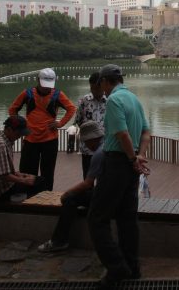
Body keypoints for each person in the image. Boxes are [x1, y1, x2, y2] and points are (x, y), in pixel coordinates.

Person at [88, 64, 151, 289]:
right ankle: (133, 268)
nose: (101, 90)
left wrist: (133, 158)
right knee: (127, 219)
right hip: (131, 165)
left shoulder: (114, 101)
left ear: (105, 81)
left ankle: (116, 267)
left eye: (101, 85)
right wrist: (139, 156)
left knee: (97, 218)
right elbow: (146, 131)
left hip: (116, 162)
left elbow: (122, 133)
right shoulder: (134, 98)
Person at [37, 120, 105, 253]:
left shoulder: (98, 154)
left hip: (105, 197)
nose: (85, 145)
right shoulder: (108, 146)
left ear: (92, 139)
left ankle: (59, 241)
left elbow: (88, 183)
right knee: (80, 197)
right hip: (114, 193)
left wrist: (66, 194)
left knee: (70, 200)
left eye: (85, 142)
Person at [8, 68, 76, 191]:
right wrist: (21, 125)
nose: (46, 88)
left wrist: (60, 123)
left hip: (50, 140)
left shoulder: (57, 94)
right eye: (44, 85)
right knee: (27, 171)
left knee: (48, 173)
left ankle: (46, 198)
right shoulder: (27, 94)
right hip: (30, 139)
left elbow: (71, 108)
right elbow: (13, 109)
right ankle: (27, 198)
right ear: (37, 80)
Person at [0, 116, 46, 202]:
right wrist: (23, 180)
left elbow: (3, 170)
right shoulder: (1, 145)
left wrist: (20, 175)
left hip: (1, 186)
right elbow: (3, 175)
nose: (19, 136)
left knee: (37, 180)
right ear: (9, 129)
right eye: (18, 133)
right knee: (39, 184)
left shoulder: (6, 141)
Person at [75, 72, 108, 178]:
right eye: (92, 88)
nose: (94, 91)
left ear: (103, 86)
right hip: (87, 148)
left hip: (105, 147)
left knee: (103, 178)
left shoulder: (110, 101)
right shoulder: (83, 101)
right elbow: (78, 120)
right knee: (88, 177)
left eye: (97, 88)